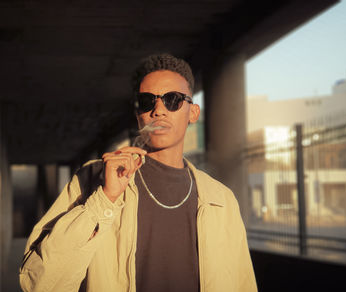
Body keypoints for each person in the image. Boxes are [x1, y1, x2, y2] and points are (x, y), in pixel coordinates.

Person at [19, 53, 257, 291]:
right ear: (138, 115)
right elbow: (39, 283)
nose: (159, 110)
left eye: (172, 99)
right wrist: (104, 199)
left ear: (193, 113)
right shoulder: (94, 178)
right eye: (147, 101)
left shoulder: (221, 200)